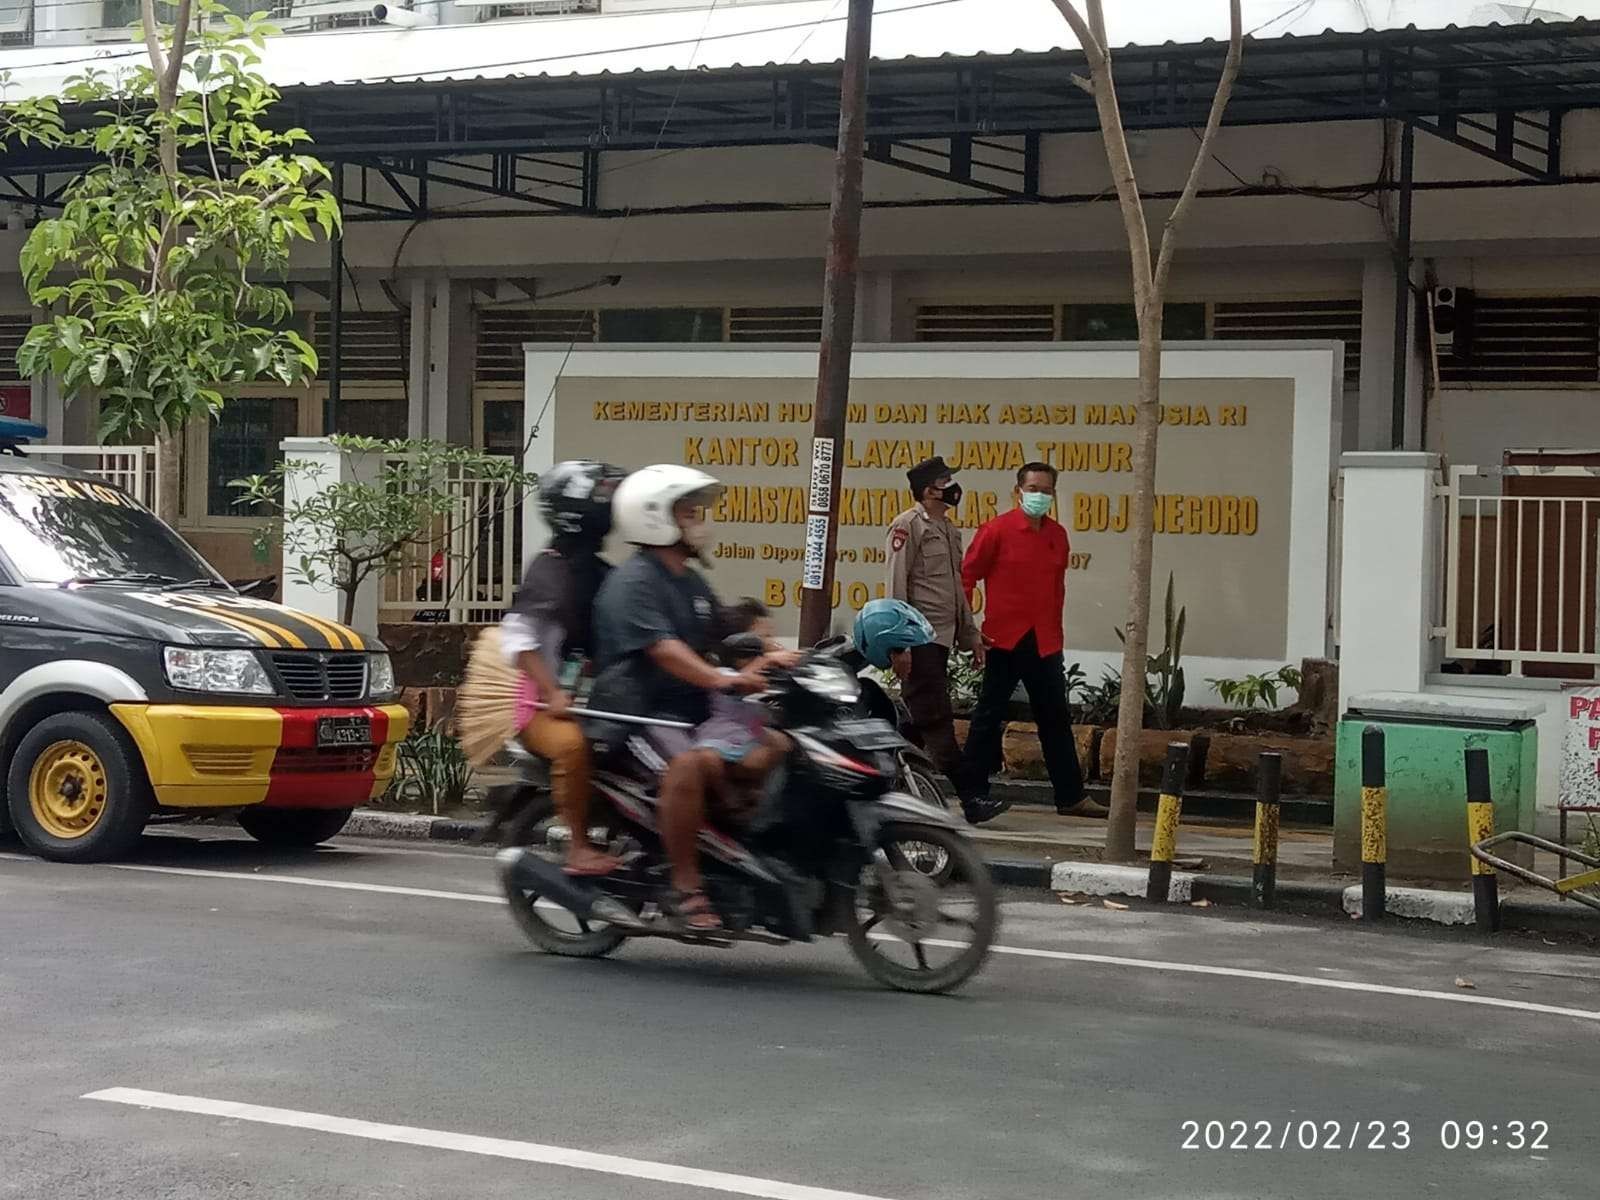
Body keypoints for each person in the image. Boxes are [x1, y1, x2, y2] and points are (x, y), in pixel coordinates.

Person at [591, 464, 797, 931]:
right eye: (689, 512)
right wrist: (719, 679)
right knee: (692, 768)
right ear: (656, 518)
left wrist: (782, 655)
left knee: (779, 745)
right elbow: (666, 651)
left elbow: (728, 629)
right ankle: (686, 886)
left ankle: (740, 856)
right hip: (639, 715)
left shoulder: (687, 580)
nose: (701, 521)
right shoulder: (635, 583)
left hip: (689, 711)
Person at [500, 460, 627, 875]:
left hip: (594, 701)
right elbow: (518, 640)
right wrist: (553, 690)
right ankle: (576, 846)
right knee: (572, 747)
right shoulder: (550, 569)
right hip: (540, 708)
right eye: (601, 498)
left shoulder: (601, 571)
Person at [958, 462, 1101, 818]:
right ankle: (973, 795)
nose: (1039, 495)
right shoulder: (996, 530)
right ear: (1018, 491)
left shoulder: (1058, 535)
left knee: (1056, 719)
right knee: (987, 717)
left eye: (1046, 490)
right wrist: (969, 629)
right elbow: (966, 577)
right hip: (1004, 639)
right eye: (1033, 488)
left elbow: (1055, 589)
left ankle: (1071, 797)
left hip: (1046, 640)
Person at [885, 455, 1005, 825]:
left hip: (941, 639)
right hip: (918, 638)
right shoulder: (907, 527)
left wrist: (971, 636)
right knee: (935, 719)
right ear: (927, 490)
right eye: (945, 481)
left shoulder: (949, 530)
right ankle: (971, 798)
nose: (952, 487)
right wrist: (899, 644)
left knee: (915, 723)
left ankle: (877, 782)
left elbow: (956, 589)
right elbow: (896, 588)